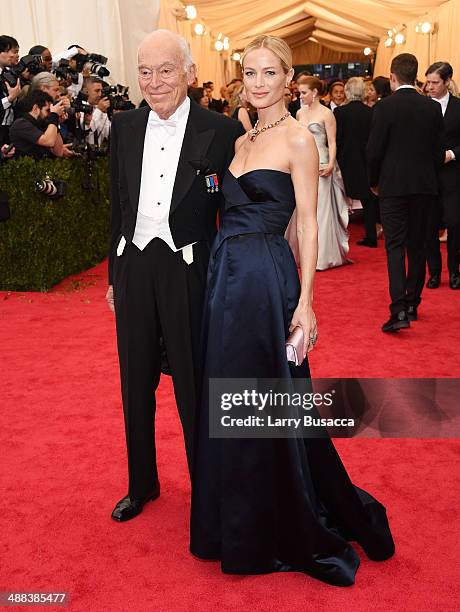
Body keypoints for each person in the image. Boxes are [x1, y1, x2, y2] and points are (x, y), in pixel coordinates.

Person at [190, 34, 394, 587]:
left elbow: (306, 223)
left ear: (287, 79)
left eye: (268, 74)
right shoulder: (240, 139)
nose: (258, 83)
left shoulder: (299, 139)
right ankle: (234, 516)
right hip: (223, 278)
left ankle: (280, 517)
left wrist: (306, 303)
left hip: (263, 278)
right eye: (249, 73)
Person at [107, 29, 243, 522]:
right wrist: (112, 273)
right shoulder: (123, 127)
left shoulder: (221, 130)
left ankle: (207, 486)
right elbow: (117, 205)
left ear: (188, 72)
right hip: (134, 266)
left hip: (189, 268)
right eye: (145, 71)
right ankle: (140, 484)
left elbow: (235, 213)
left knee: (192, 385)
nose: (155, 81)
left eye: (166, 70)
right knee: (134, 381)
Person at [367, 53, 444, 332]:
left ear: (393, 76)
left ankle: (398, 310)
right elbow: (437, 153)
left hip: (393, 187)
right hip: (424, 187)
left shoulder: (384, 107)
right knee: (418, 245)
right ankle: (413, 303)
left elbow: (374, 151)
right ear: (417, 76)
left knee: (395, 247)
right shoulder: (432, 108)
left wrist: (373, 182)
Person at [294, 76, 351, 270]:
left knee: (322, 210)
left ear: (315, 92)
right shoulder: (300, 113)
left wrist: (330, 164)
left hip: (322, 164)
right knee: (303, 208)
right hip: (303, 165)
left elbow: (333, 142)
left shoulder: (327, 114)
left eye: (303, 92)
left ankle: (323, 256)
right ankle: (305, 254)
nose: (300, 96)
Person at [424, 61, 460, 290]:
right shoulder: (422, 107)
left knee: (455, 224)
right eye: (427, 82)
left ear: (447, 81)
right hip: (426, 176)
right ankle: (434, 272)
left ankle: (455, 270)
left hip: (454, 176)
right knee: (428, 226)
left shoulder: (458, 107)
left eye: (435, 82)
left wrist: (452, 154)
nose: (429, 87)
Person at [335, 77, 378, 247]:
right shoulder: (371, 112)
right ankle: (371, 236)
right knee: (368, 201)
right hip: (366, 160)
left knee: (339, 198)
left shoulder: (340, 112)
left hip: (346, 160)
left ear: (347, 91)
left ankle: (339, 235)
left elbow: (337, 139)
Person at [9, 90, 66, 158]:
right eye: (47, 110)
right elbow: (49, 141)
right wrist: (54, 116)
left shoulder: (42, 123)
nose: (49, 114)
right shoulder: (21, 124)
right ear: (35, 108)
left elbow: (58, 152)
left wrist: (56, 122)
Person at [0, 35, 21, 146]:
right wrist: (10, 98)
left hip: (10, 127)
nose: (17, 56)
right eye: (14, 52)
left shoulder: (9, 73)